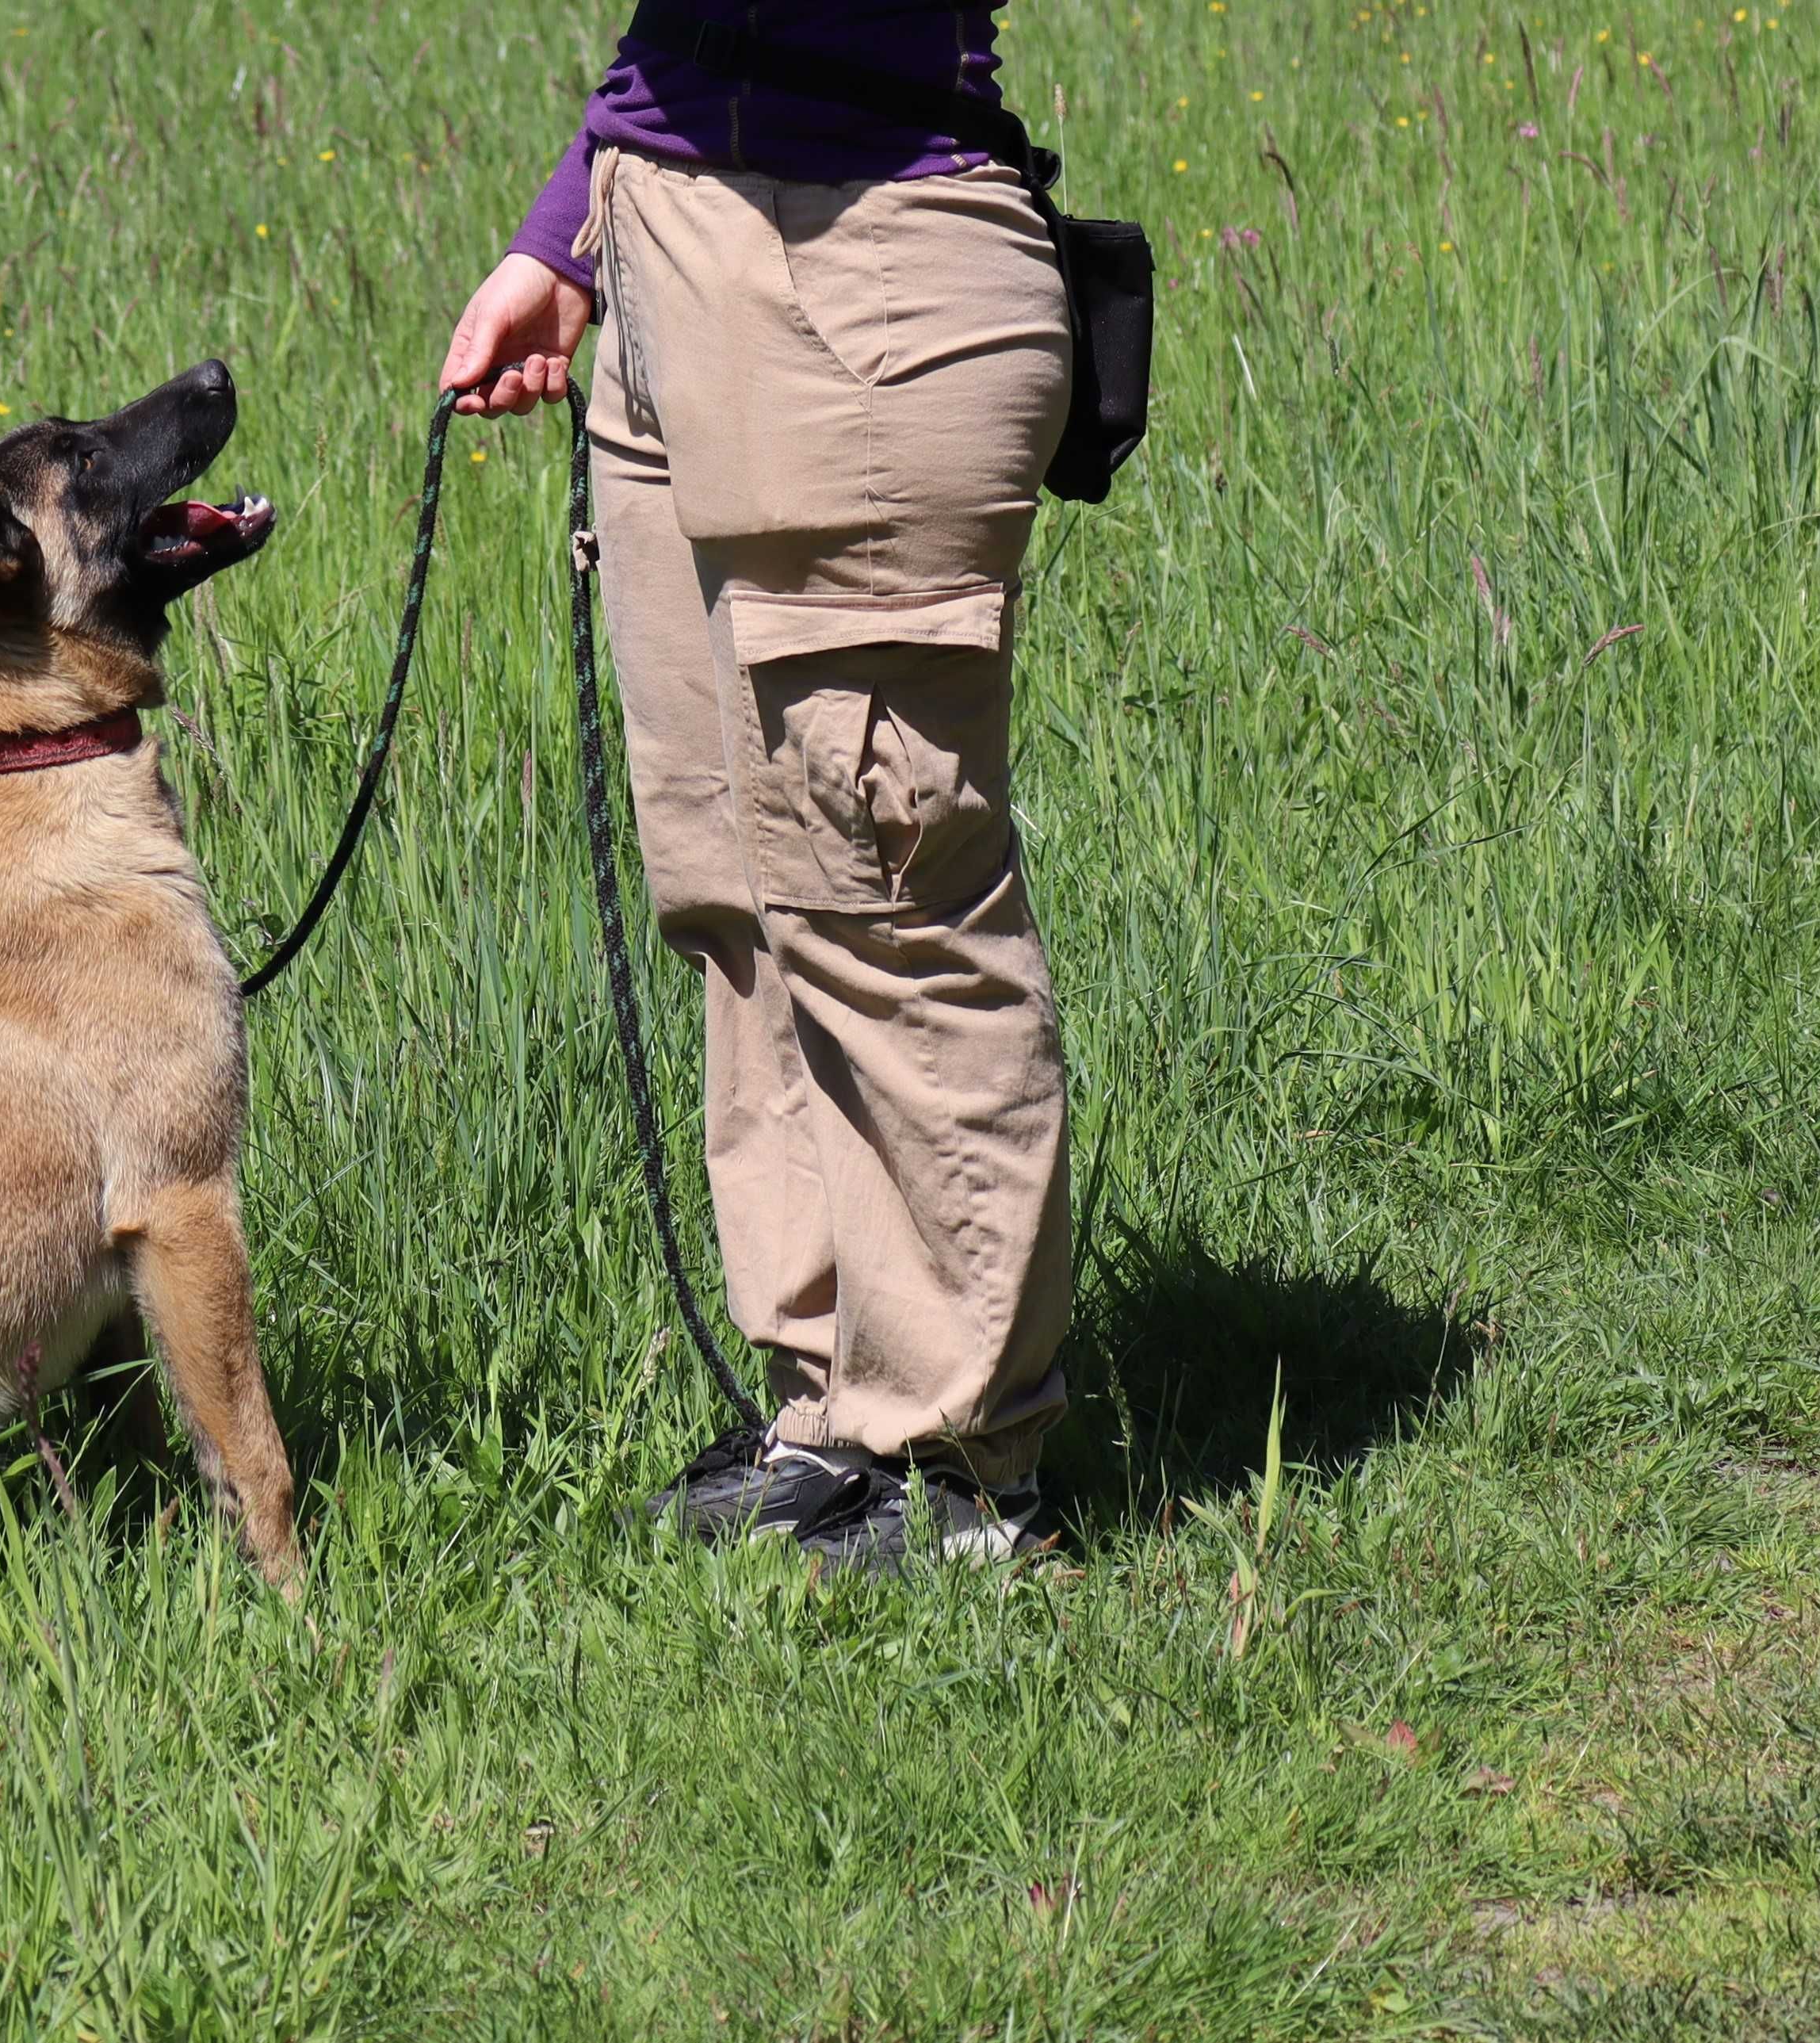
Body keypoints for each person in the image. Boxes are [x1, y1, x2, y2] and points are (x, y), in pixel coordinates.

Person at [439, 4, 1081, 1567]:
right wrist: (569, 234)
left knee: (876, 888)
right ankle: (831, 1406)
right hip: (676, 245)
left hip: (856, 274)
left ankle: (962, 1467)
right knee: (738, 883)